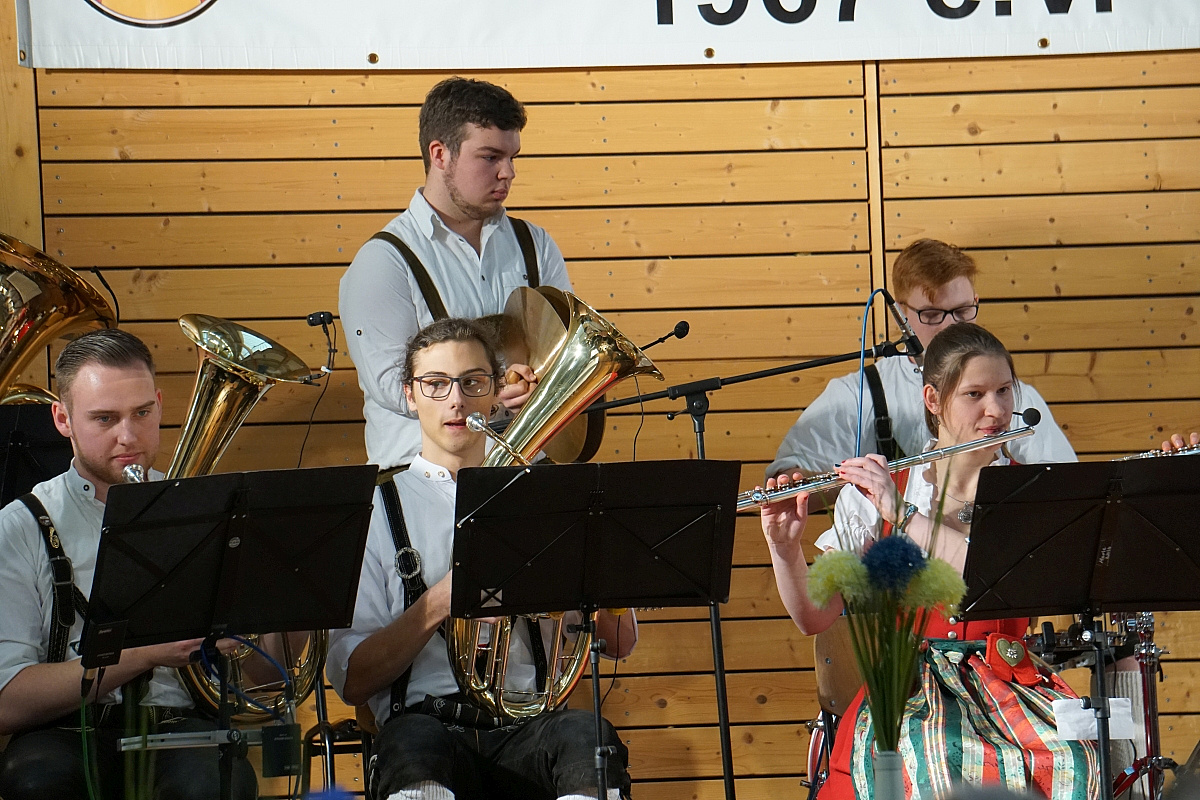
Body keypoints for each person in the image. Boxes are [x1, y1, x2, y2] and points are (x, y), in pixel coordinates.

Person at [760, 323, 1102, 800]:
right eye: (975, 394)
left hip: (1011, 687)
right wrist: (784, 548)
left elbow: (989, 578)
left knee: (1079, 761)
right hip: (910, 695)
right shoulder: (880, 493)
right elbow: (814, 617)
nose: (996, 410)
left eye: (1004, 391)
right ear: (933, 399)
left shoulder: (1030, 492)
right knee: (936, 761)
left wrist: (903, 516)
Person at [327, 318, 637, 800]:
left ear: (494, 394)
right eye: (435, 384)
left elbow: (621, 643)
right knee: (412, 743)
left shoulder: (547, 499)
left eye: (472, 382)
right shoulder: (374, 511)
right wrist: (439, 602)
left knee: (588, 736)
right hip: (426, 725)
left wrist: (588, 574)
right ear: (410, 395)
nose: (456, 400)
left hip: (531, 727)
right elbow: (352, 681)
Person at [0, 328, 257, 800]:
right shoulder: (18, 526)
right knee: (37, 784)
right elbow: (7, 702)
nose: (128, 436)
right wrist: (144, 654)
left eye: (142, 413)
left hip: (183, 725)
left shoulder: (213, 509)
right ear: (62, 419)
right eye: (105, 418)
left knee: (218, 785)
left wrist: (287, 608)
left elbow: (265, 680)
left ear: (159, 403)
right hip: (65, 732)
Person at [340, 77, 573, 470]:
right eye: (490, 157)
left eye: (512, 157)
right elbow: (396, 389)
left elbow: (565, 357)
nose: (508, 173)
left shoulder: (537, 244)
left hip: (528, 471)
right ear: (440, 154)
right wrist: (499, 391)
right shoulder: (382, 261)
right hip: (420, 480)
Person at [767, 238, 1076, 479]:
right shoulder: (857, 393)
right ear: (901, 313)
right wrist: (860, 490)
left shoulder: (1013, 397)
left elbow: (1065, 487)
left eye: (963, 311)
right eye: (931, 314)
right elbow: (790, 471)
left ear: (975, 301)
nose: (951, 326)